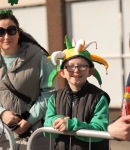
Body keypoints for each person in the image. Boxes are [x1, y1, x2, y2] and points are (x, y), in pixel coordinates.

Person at [0, 9, 55, 149]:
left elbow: (50, 92)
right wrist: (2, 113)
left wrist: (29, 120)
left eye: (11, 30)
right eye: (0, 32)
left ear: (18, 32)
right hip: (3, 137)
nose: (6, 37)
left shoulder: (39, 57)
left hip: (35, 136)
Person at [44, 35, 110, 150]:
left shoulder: (99, 98)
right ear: (62, 73)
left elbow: (100, 129)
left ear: (90, 71)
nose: (76, 70)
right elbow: (46, 128)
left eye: (82, 66)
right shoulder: (54, 98)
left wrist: (72, 125)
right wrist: (57, 121)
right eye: (70, 66)